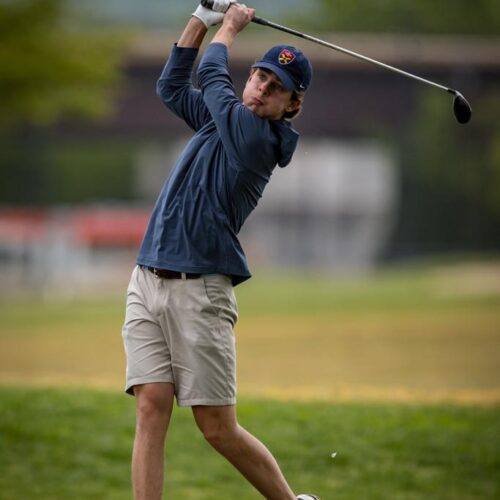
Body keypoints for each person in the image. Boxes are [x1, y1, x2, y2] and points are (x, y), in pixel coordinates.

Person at [121, 2, 318, 499]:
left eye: (276, 89)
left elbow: (210, 70)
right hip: (147, 277)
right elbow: (171, 85)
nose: (263, 89)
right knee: (150, 406)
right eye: (260, 77)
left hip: (201, 288)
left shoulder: (257, 138)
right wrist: (200, 16)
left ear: (291, 106)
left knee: (216, 428)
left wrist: (228, 26)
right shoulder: (222, 120)